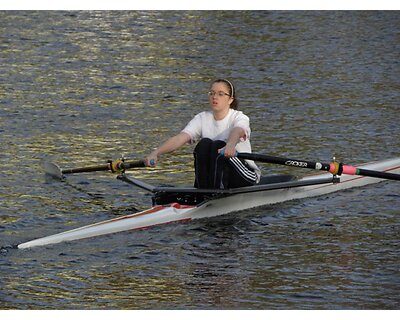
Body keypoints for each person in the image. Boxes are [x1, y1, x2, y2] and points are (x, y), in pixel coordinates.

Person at [145, 79, 261, 189]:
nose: (215, 97)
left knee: (218, 145)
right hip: (219, 177)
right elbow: (180, 138)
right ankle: (203, 192)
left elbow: (238, 130)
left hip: (245, 175)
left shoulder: (239, 117)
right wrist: (156, 152)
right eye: (212, 93)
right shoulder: (202, 118)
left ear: (230, 99)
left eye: (221, 94)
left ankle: (213, 195)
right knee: (204, 144)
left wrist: (230, 145)